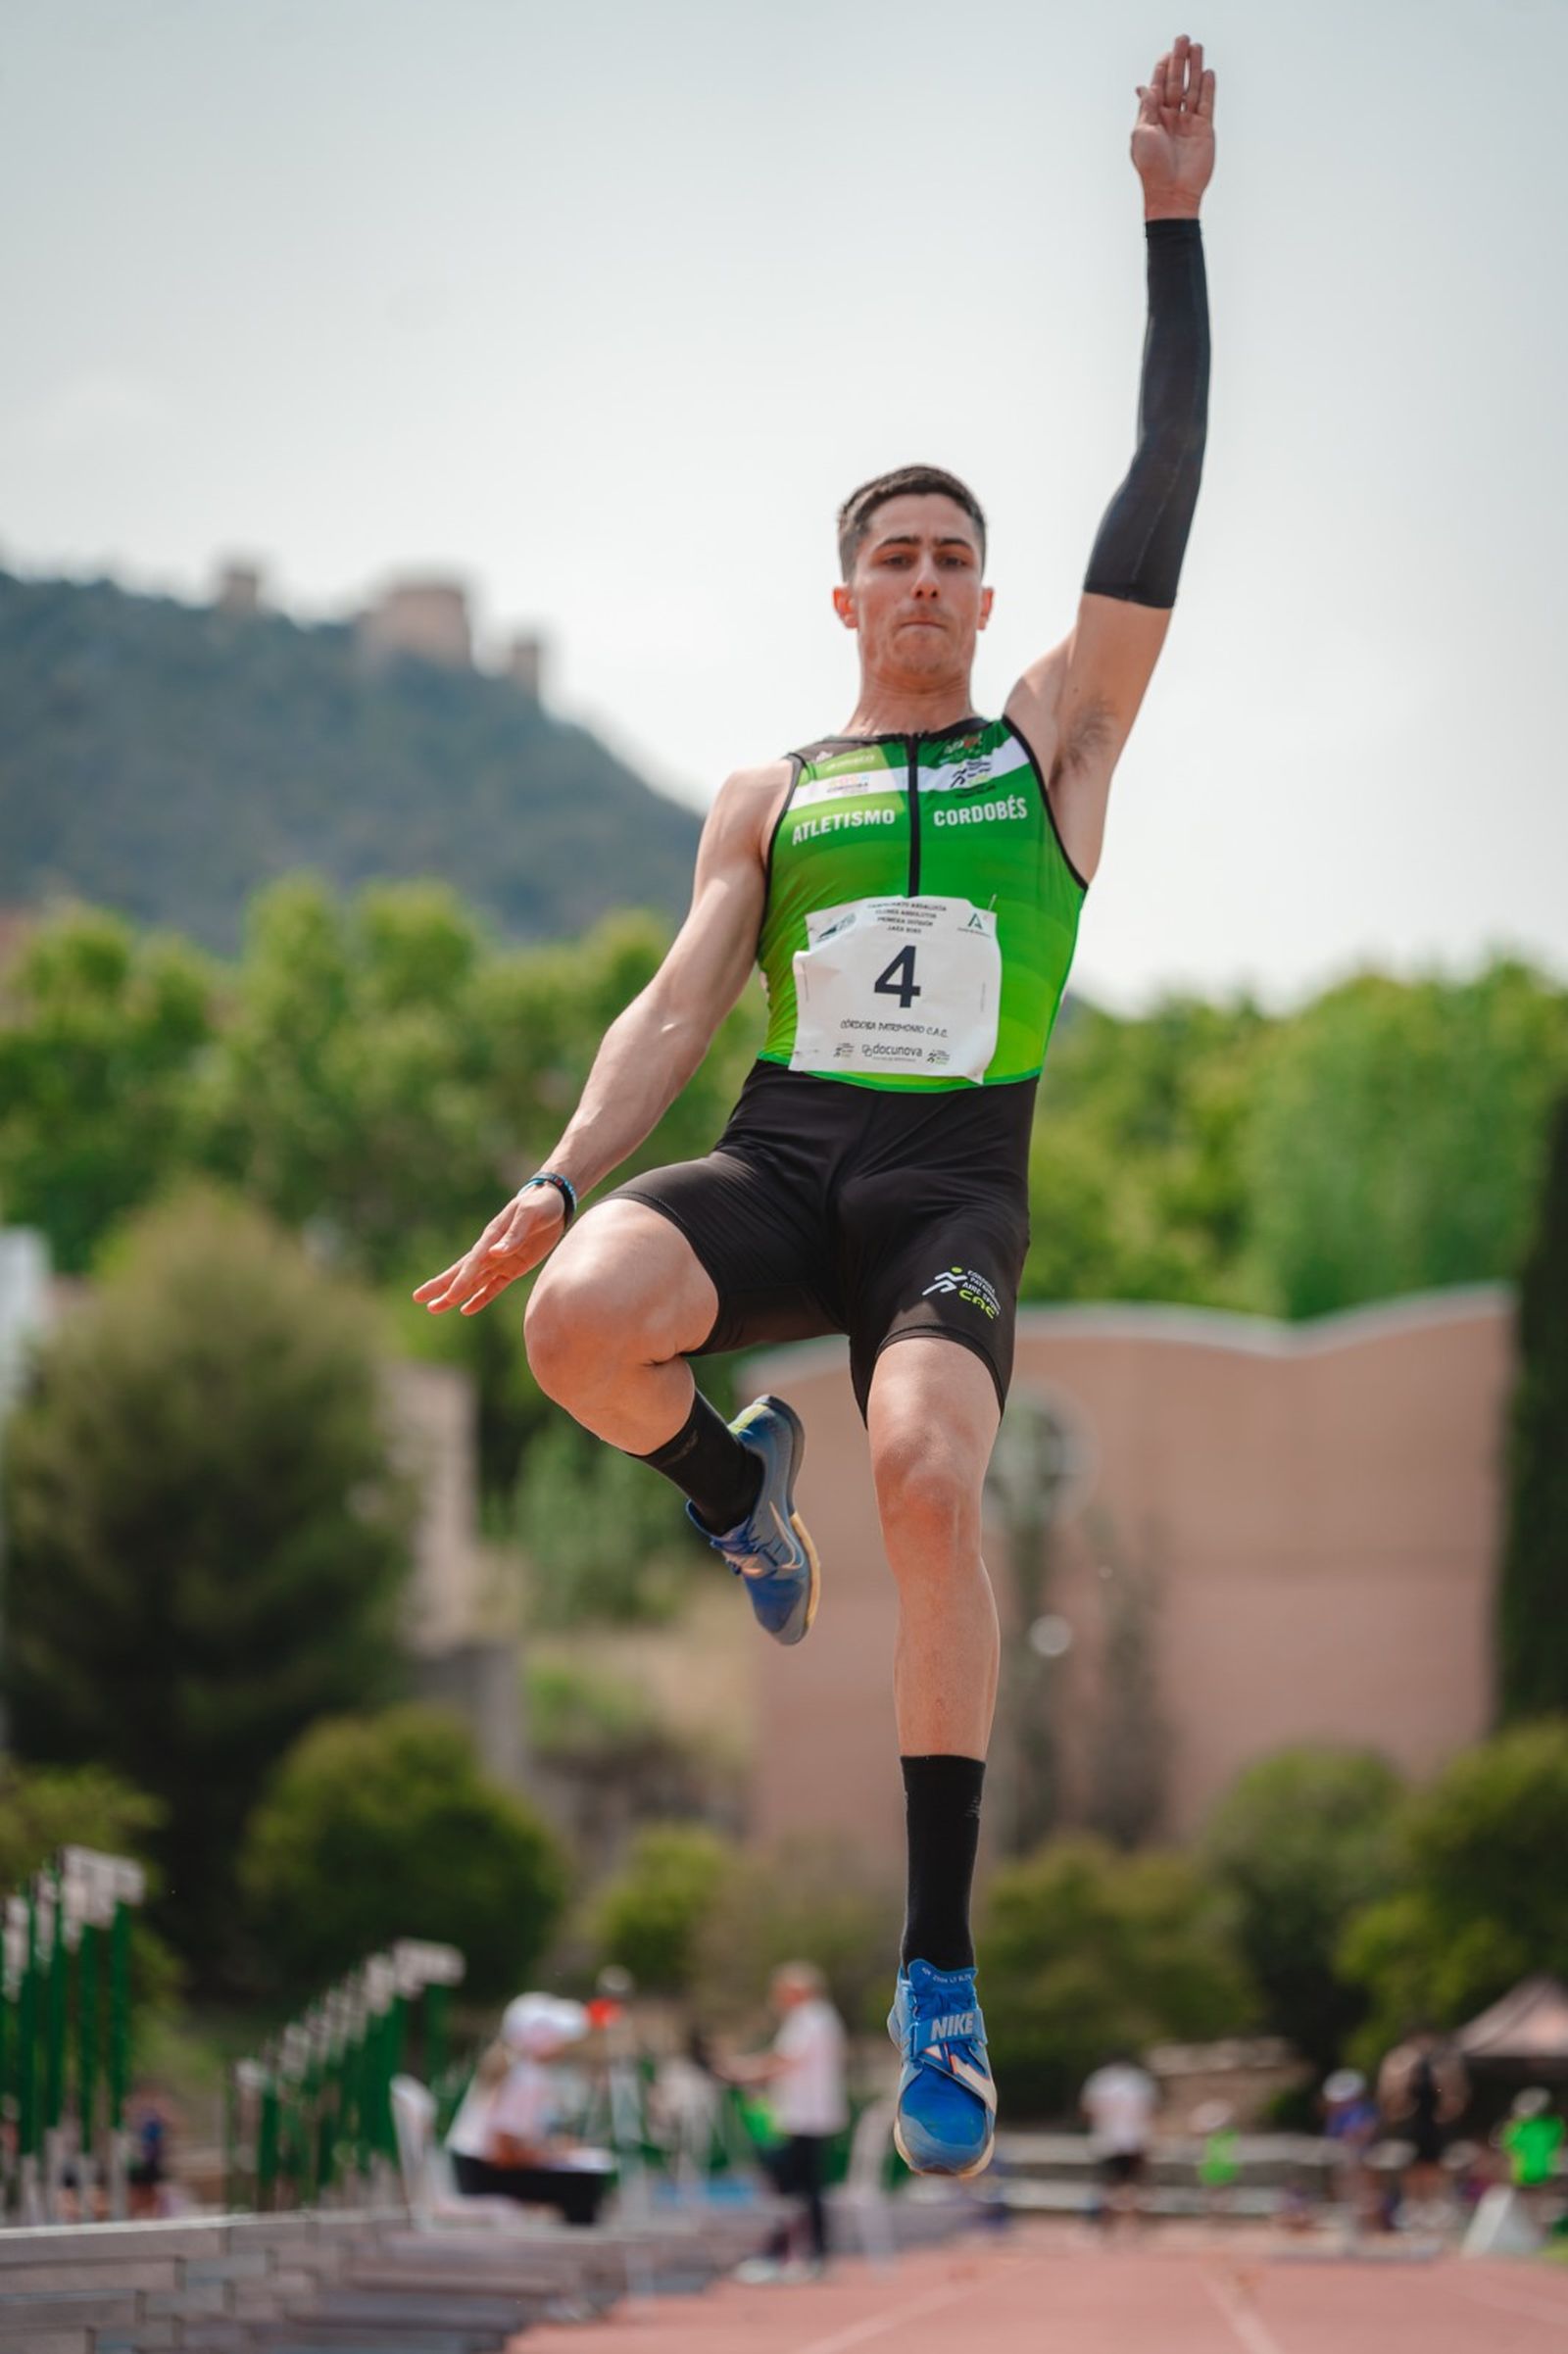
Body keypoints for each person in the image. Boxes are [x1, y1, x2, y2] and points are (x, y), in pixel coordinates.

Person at [417, 33, 1216, 2181]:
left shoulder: (1048, 743)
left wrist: (1169, 229)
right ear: (845, 593)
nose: (942, 578)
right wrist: (551, 1177)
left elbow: (1156, 500)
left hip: (954, 1171)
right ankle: (723, 1488)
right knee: (573, 1322)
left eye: (965, 552)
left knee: (931, 1479)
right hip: (784, 1149)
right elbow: (679, 999)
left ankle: (934, 1964)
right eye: (906, 554)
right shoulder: (774, 791)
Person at [722, 1962, 850, 2280]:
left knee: (796, 2187)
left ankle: (793, 2253)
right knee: (799, 2187)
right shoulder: (814, 2018)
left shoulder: (811, 2018)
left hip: (805, 2117)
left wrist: (744, 2071)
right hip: (801, 2115)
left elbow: (786, 2059)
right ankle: (799, 2252)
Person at [446, 1993, 611, 2227]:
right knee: (583, 2185)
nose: (565, 2045)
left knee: (580, 2180)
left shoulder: (513, 2067)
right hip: (483, 2175)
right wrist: (556, 2156)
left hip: (469, 2170)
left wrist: (550, 2150)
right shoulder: (524, 2077)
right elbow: (503, 2155)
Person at [1377, 2026, 1468, 2231]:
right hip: (1409, 2123)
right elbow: (1389, 2097)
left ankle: (1433, 2209)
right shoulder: (1400, 2061)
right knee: (1411, 2167)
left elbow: (1454, 2097)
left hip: (1433, 2124)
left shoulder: (1443, 2062)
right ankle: (1412, 2210)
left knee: (1435, 2166)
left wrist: (1445, 2093)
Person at [1081, 2052, 1158, 2228]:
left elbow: (1088, 2110)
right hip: (1135, 2139)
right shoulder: (1140, 2081)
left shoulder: (1100, 2080)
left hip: (1107, 2139)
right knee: (1135, 2184)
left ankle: (1107, 2225)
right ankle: (1137, 2224)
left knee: (1108, 2185)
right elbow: (1150, 2111)